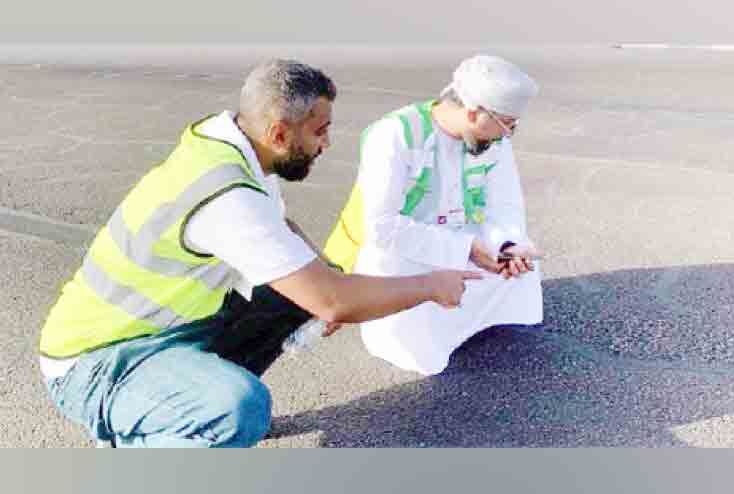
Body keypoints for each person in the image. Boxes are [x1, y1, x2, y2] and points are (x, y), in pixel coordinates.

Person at [39, 59, 480, 448]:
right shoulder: (225, 194)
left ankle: (188, 410)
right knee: (242, 407)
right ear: (279, 133)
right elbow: (335, 301)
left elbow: (279, 229)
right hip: (96, 363)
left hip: (162, 331)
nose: (327, 144)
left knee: (298, 291)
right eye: (320, 131)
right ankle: (153, 435)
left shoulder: (231, 141)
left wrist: (324, 272)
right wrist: (431, 285)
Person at [324, 55, 544, 376]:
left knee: (519, 262)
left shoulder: (491, 139)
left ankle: (479, 320)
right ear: (474, 113)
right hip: (399, 246)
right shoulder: (395, 134)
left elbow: (504, 204)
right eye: (507, 124)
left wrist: (505, 245)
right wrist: (465, 249)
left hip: (459, 235)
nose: (507, 135)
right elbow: (381, 227)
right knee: (409, 317)